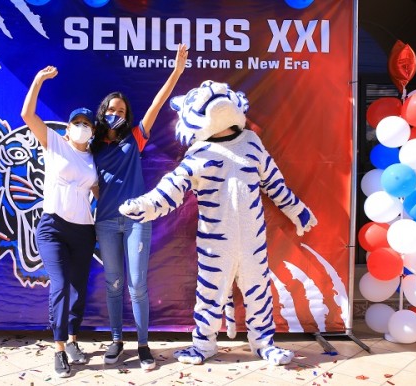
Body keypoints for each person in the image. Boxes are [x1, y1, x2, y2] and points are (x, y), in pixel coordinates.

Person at [119, 80, 318, 366]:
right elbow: (170, 189)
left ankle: (263, 343)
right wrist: (144, 206)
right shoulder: (197, 155)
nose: (210, 85)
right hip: (215, 245)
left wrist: (297, 210)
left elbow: (275, 183)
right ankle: (203, 344)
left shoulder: (252, 142)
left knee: (258, 292)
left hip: (253, 243)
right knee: (210, 294)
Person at [89, 44, 188, 370]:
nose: (115, 114)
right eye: (111, 110)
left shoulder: (136, 136)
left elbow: (159, 103)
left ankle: (143, 344)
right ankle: (117, 340)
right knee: (114, 284)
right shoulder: (90, 145)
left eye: (120, 110)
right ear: (102, 111)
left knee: (137, 286)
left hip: (135, 222)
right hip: (104, 222)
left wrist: (175, 72)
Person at [21, 65, 97, 378]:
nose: (81, 127)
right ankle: (59, 349)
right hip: (52, 227)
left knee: (79, 287)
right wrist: (37, 80)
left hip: (84, 230)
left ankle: (75, 341)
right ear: (67, 128)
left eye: (86, 124)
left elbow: (101, 191)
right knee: (61, 285)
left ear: (93, 131)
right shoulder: (55, 143)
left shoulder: (95, 159)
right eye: (76, 122)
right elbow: (27, 115)